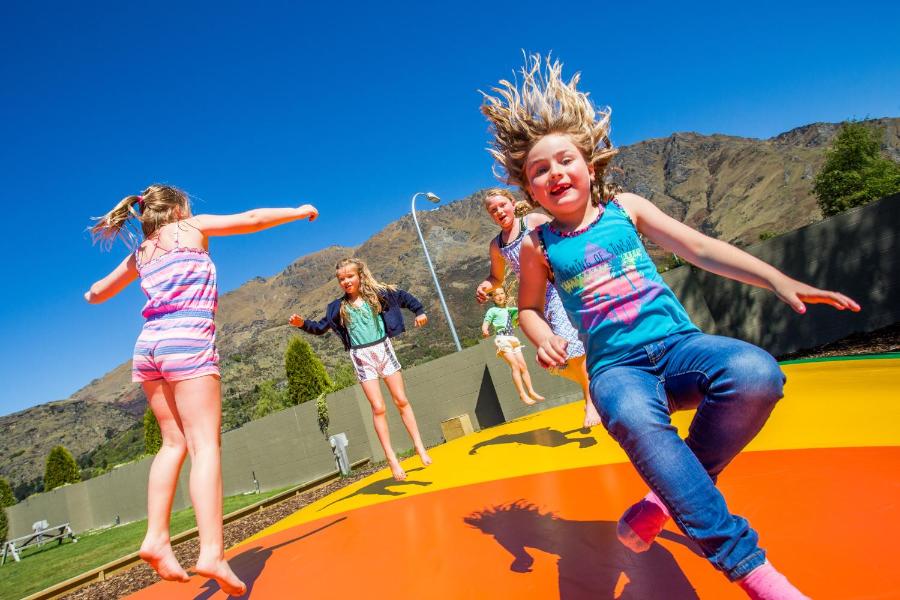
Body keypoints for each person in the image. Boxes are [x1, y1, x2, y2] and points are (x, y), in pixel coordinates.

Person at [481, 55, 860, 600]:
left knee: (756, 373)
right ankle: (755, 574)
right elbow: (529, 310)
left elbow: (700, 248)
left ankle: (663, 500)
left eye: (565, 160)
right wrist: (544, 339)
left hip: (678, 348)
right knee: (634, 417)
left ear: (590, 166)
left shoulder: (626, 209)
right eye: (540, 171)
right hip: (617, 369)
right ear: (530, 190)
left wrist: (777, 279)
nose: (555, 173)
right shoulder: (540, 246)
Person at [85, 184, 318, 596]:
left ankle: (156, 537)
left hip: (149, 347)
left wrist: (90, 292)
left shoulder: (141, 253)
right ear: (178, 209)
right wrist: (298, 211)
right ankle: (211, 551)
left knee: (172, 443)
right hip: (187, 340)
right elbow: (252, 219)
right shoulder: (191, 226)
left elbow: (99, 293)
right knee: (204, 445)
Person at [290, 258, 432, 481]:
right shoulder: (337, 307)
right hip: (361, 356)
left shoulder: (378, 295)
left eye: (350, 276)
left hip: (383, 349)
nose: (346, 281)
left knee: (401, 400)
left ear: (359, 276)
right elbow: (319, 327)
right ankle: (391, 458)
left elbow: (404, 297)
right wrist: (302, 324)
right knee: (378, 407)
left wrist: (420, 311)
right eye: (341, 279)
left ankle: (419, 446)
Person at [476, 188, 601, 427]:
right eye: (493, 210)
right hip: (532, 301)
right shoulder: (497, 245)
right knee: (553, 360)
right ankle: (594, 382)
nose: (499, 211)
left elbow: (563, 237)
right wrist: (485, 286)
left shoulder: (532, 221)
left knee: (572, 348)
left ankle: (591, 402)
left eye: (502, 205)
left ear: (512, 203)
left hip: (556, 290)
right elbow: (496, 277)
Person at [481, 286, 545, 405]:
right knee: (515, 366)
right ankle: (522, 394)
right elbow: (486, 322)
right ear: (492, 298)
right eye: (496, 295)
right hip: (502, 339)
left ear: (505, 294)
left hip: (513, 338)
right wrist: (485, 329)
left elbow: (521, 317)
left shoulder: (511, 310)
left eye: (501, 293)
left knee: (523, 366)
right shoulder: (492, 311)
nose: (499, 296)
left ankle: (531, 391)